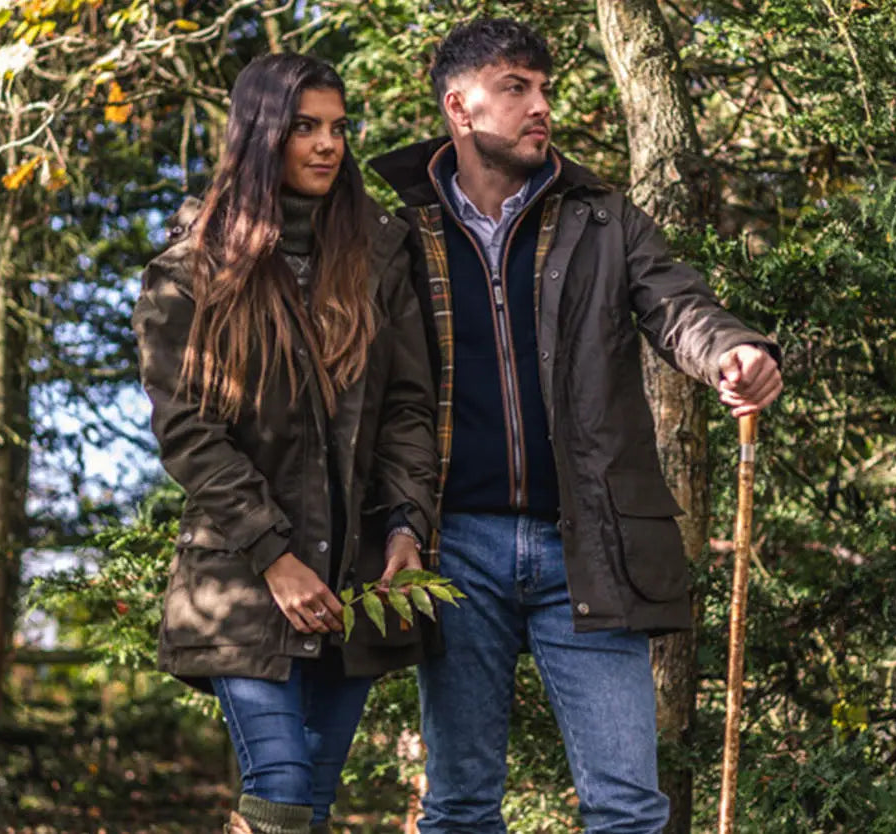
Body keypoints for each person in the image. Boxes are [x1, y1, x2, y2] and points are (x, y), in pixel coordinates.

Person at [369, 18, 783, 834]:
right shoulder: (397, 237)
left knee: (627, 808)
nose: (541, 106)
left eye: (544, 88)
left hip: (588, 544)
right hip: (456, 549)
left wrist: (735, 351)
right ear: (460, 106)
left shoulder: (605, 221)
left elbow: (680, 307)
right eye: (516, 87)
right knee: (458, 808)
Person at [132, 52, 438, 834]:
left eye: (338, 128)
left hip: (354, 580)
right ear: (261, 135)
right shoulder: (189, 271)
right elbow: (189, 431)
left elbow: (406, 405)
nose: (327, 145)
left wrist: (406, 525)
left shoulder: (377, 252)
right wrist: (274, 556)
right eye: (305, 127)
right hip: (241, 578)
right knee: (278, 792)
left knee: (309, 804)